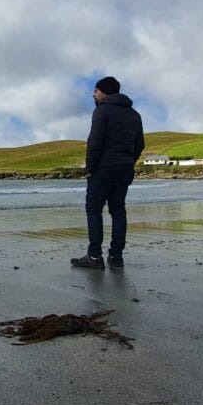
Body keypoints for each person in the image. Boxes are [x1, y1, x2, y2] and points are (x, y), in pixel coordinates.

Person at [71, 76, 144, 269]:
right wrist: (128, 161)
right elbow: (140, 144)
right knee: (118, 211)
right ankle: (116, 257)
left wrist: (90, 168)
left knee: (94, 210)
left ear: (104, 92)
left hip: (103, 171)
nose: (93, 95)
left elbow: (94, 142)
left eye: (96, 91)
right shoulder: (135, 115)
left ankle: (95, 257)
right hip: (124, 171)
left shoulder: (102, 111)